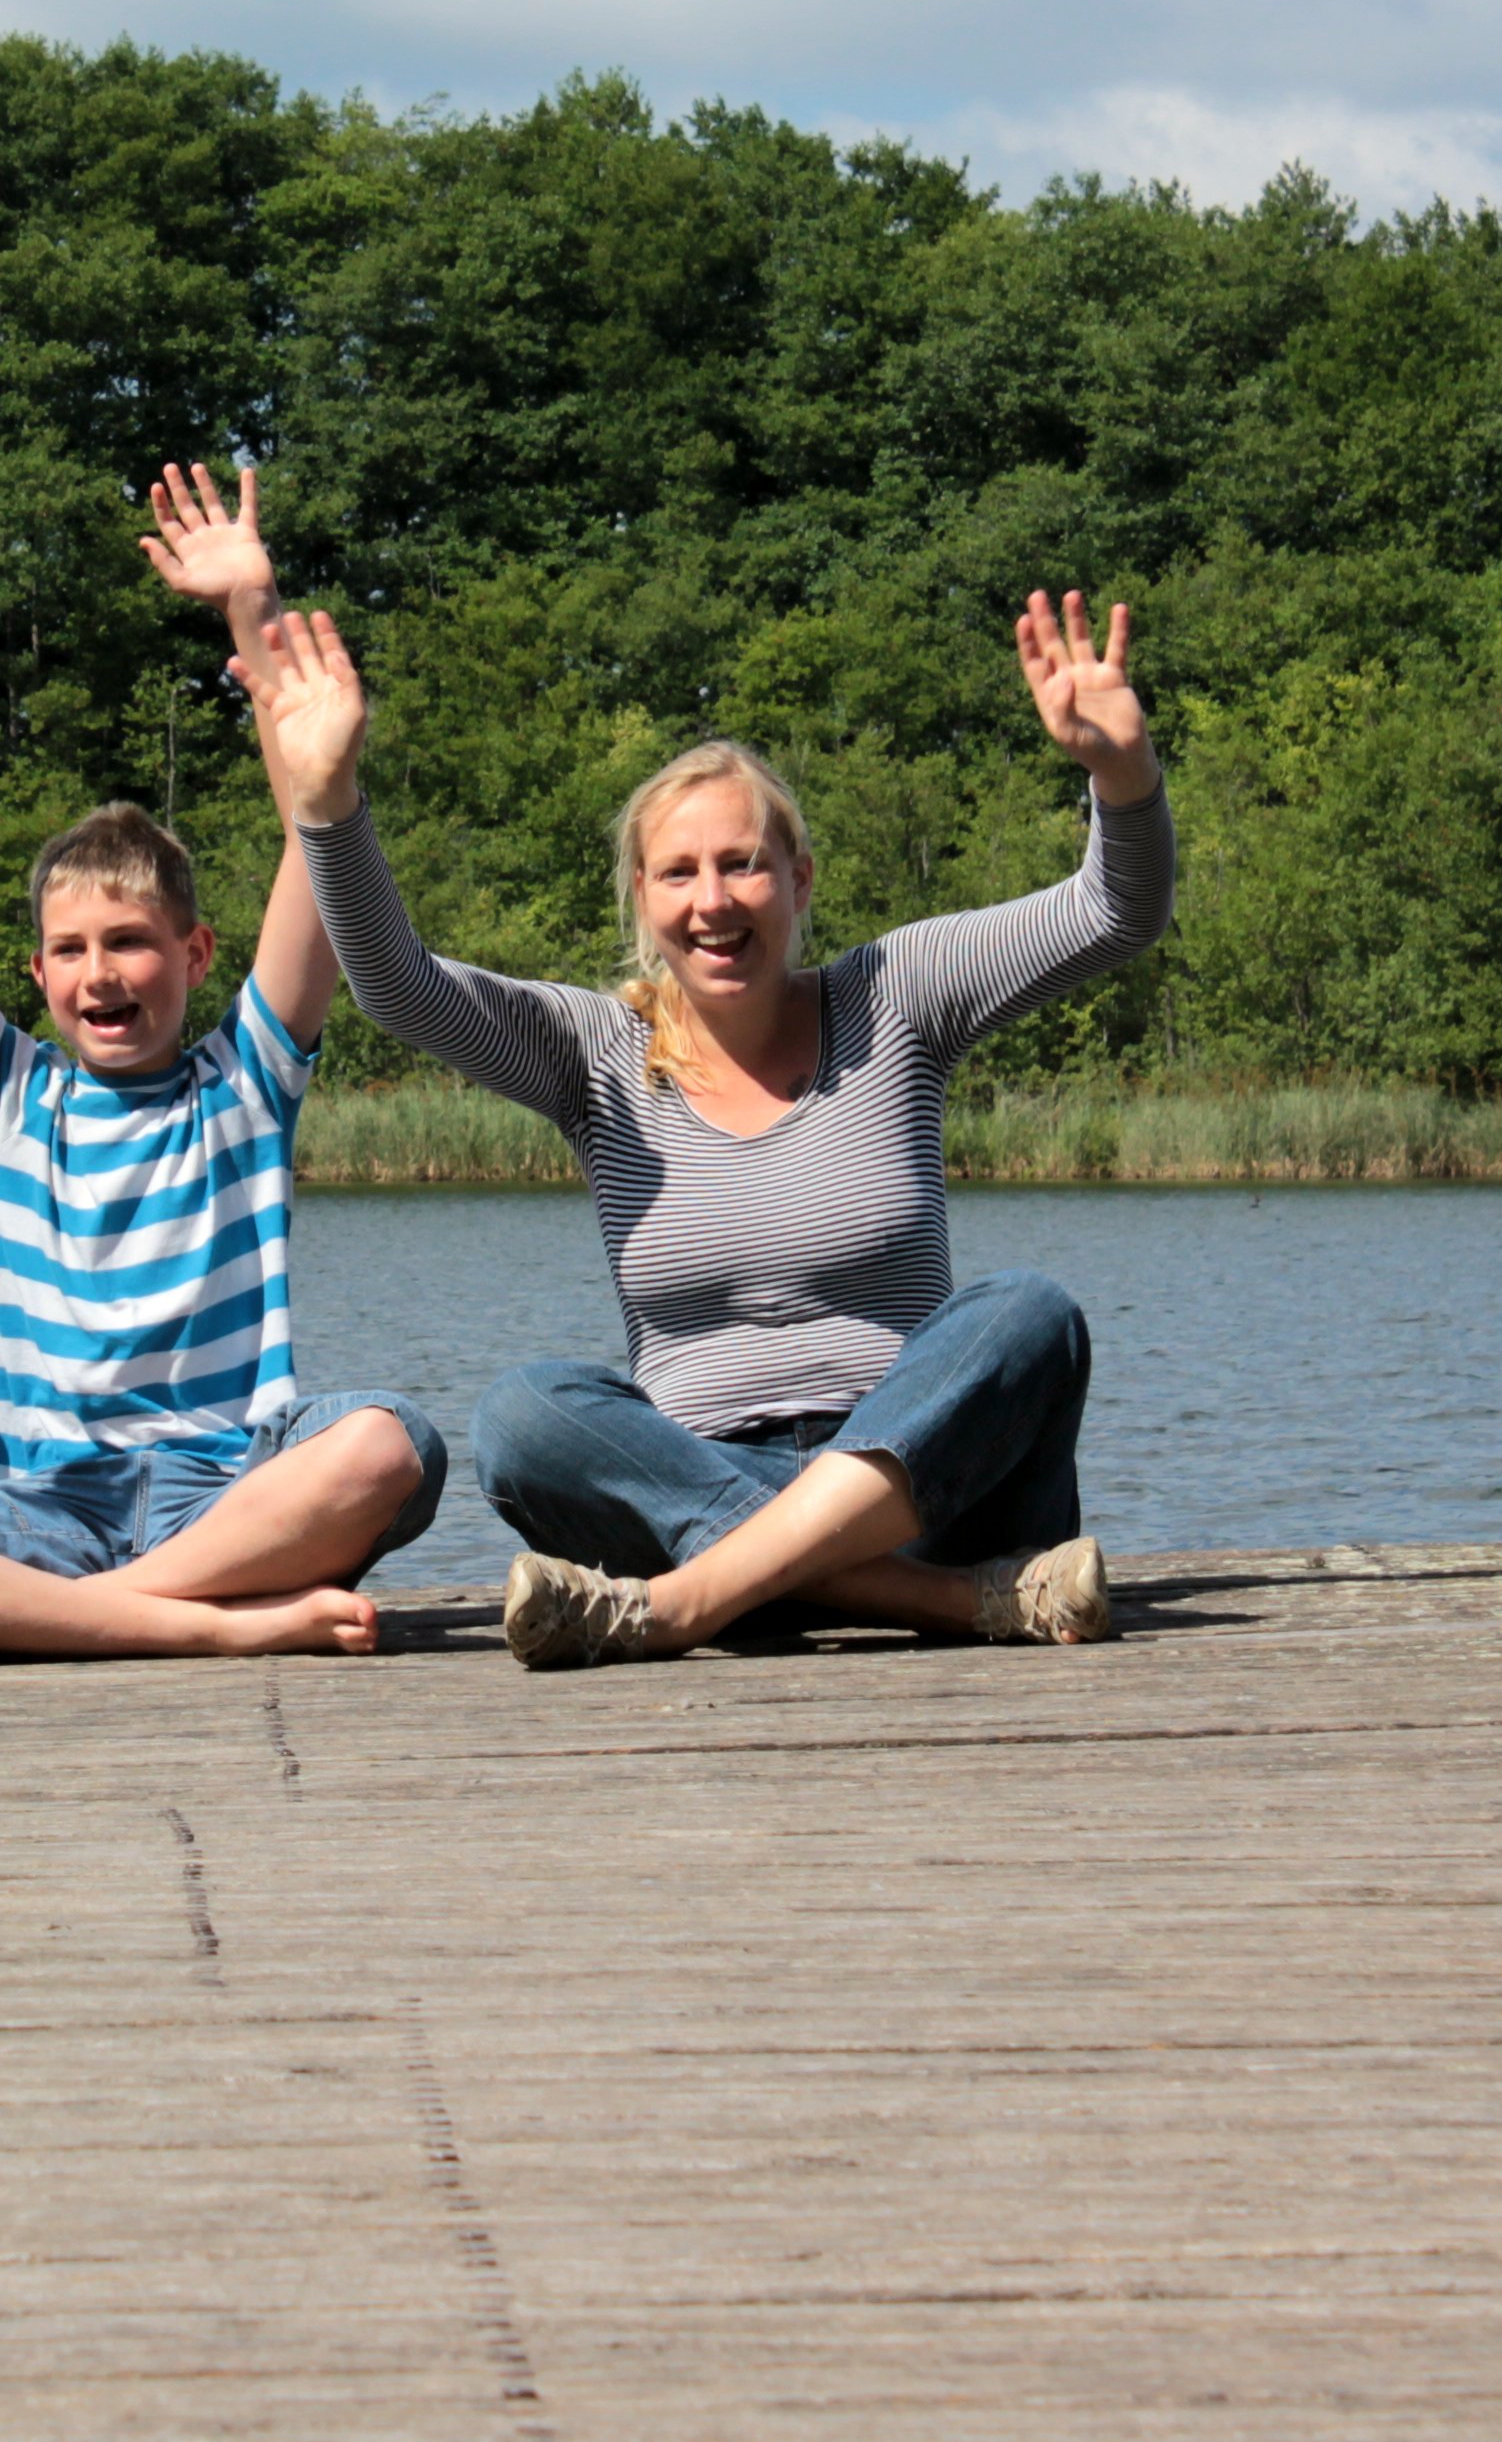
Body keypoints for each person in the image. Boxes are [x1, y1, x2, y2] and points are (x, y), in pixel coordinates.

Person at [238, 584, 1177, 1670]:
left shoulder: (899, 995)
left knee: (1029, 1317)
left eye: (742, 863)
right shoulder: (595, 1051)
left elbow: (1116, 912)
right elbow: (397, 988)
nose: (713, 899)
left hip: (928, 1489)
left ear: (798, 879)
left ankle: (695, 1607)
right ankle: (942, 1605)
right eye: (678, 872)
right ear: (641, 899)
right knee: (521, 1417)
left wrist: (1121, 771)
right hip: (689, 1479)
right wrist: (329, 803)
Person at [0, 461, 445, 1658]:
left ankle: (95, 1618)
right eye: (71, 950)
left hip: (224, 1495)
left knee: (390, 1445)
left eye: (130, 942)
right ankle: (193, 1628)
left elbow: (316, 833)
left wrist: (250, 611)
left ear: (194, 949)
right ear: (39, 974)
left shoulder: (244, 1085)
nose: (102, 973)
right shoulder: (2, 1096)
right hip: (31, 1503)